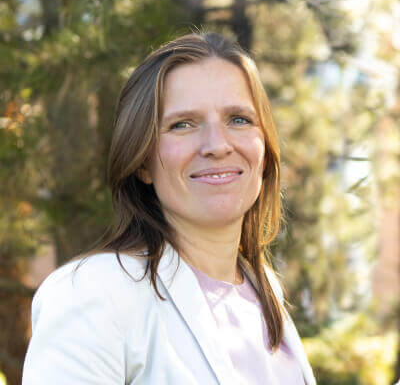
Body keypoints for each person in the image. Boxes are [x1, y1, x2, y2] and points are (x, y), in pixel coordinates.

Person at [22, 31, 317, 384]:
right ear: (142, 162)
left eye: (238, 119)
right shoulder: (94, 292)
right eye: (182, 124)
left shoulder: (264, 291)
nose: (217, 145)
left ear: (265, 148)